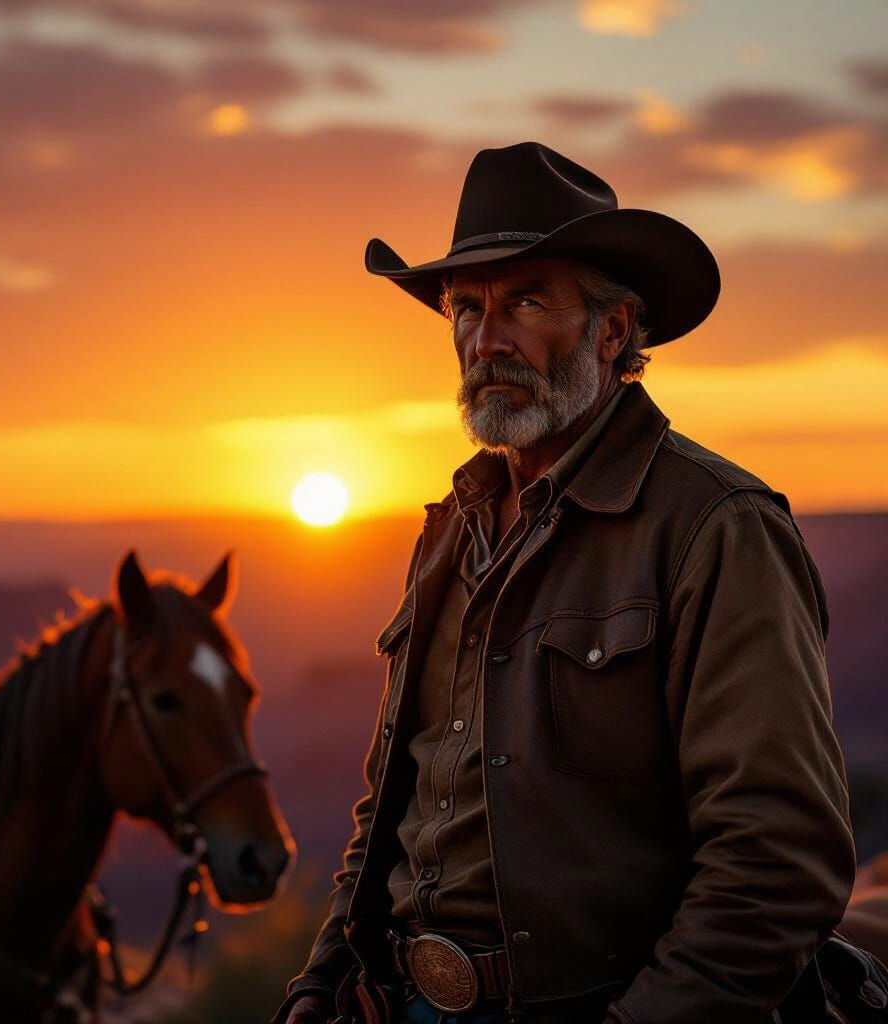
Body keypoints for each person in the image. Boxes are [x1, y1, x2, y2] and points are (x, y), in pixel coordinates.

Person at [273, 142, 856, 1024]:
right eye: (465, 307)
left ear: (613, 333)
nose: (485, 337)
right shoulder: (450, 529)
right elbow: (392, 798)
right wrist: (319, 983)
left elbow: (777, 859)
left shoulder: (716, 527)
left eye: (527, 301)